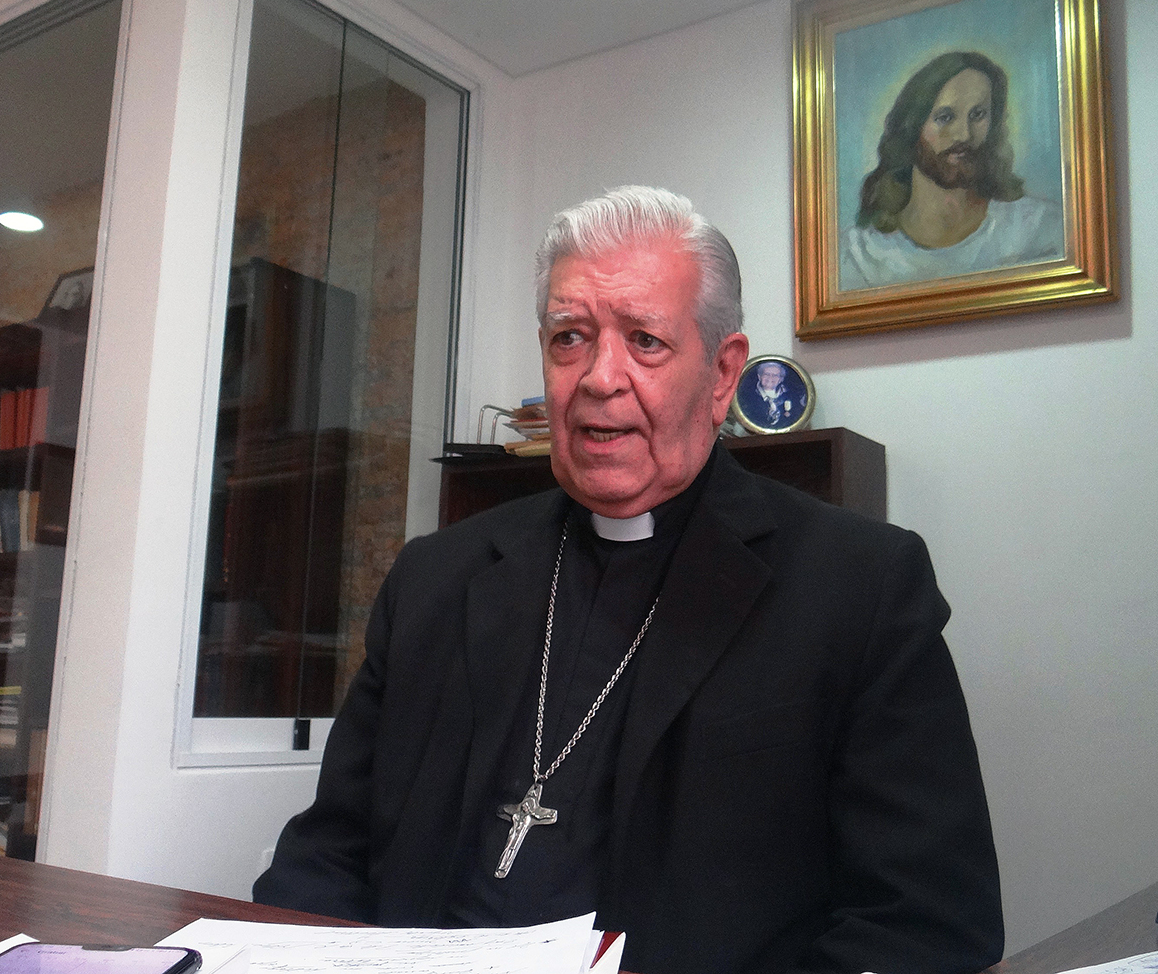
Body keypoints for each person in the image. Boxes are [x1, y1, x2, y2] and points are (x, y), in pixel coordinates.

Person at [255, 186, 1003, 974]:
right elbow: (327, 854)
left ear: (722, 373)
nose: (599, 376)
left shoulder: (860, 587)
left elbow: (925, 920)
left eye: (644, 340)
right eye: (569, 338)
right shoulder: (435, 578)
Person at [840, 50, 1062, 290]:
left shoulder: (1039, 230)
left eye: (978, 115)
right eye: (945, 117)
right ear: (912, 127)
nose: (964, 135)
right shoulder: (858, 256)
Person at [735, 360, 806, 430]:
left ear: (781, 379)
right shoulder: (747, 396)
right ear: (759, 376)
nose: (770, 378)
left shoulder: (791, 396)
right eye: (766, 374)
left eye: (775, 375)